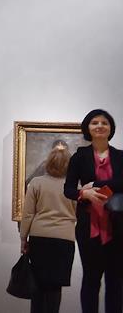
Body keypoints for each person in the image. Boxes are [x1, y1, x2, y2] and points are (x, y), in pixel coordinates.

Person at [65, 109, 123, 313]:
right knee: (91, 279)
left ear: (111, 128)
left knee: (116, 281)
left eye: (104, 123)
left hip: (118, 227)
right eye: (94, 122)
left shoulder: (120, 156)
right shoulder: (79, 157)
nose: (100, 126)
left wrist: (95, 184)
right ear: (87, 128)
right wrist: (84, 193)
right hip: (89, 227)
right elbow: (68, 190)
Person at [22, 145, 76, 313]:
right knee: (55, 287)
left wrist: (23, 239)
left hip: (40, 238)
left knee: (37, 284)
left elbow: (27, 214)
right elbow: (79, 213)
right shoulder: (73, 187)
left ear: (48, 162)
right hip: (64, 241)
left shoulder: (36, 183)